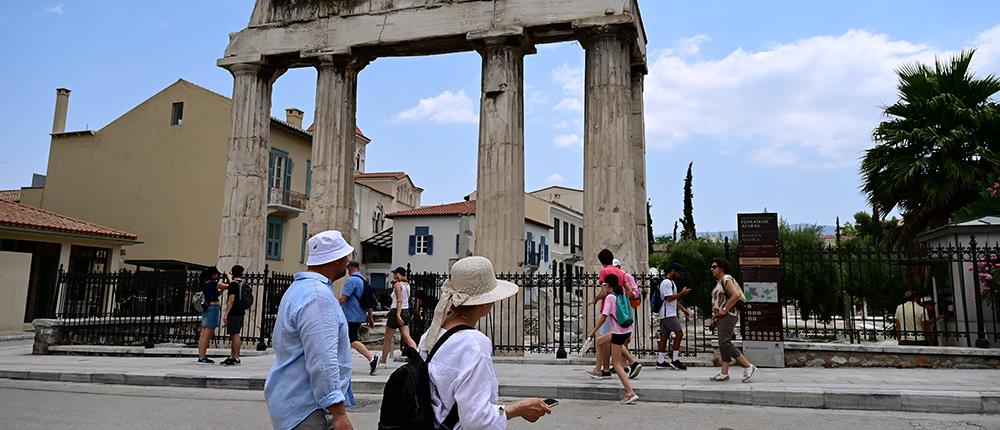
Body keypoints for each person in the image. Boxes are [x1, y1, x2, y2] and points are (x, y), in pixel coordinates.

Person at [419, 256, 552, 428]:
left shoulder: (431, 333)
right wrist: (518, 409)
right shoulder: (474, 343)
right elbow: (477, 419)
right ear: (485, 303)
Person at [264, 230, 357, 430]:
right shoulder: (318, 297)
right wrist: (339, 414)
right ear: (336, 260)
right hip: (307, 407)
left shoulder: (299, 289)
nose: (348, 261)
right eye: (345, 256)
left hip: (293, 399)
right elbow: (323, 359)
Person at [585, 249, 640, 380]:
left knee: (604, 341)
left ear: (601, 261)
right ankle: (609, 368)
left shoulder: (604, 272)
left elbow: (605, 291)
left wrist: (596, 299)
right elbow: (629, 291)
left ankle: (604, 369)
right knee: (615, 339)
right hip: (619, 310)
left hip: (609, 309)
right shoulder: (620, 272)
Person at [587, 273, 639, 404]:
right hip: (626, 330)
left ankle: (630, 392)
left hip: (618, 333)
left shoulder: (610, 297)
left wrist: (593, 331)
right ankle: (597, 370)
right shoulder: (622, 295)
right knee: (600, 342)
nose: (603, 287)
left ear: (608, 285)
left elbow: (604, 317)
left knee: (616, 364)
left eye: (604, 285)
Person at [709, 258, 757, 383]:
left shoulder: (726, 279)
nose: (711, 269)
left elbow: (736, 295)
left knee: (724, 342)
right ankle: (724, 372)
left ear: (721, 268)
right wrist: (714, 316)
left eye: (714, 266)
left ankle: (748, 366)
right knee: (722, 343)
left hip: (729, 315)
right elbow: (718, 301)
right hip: (722, 316)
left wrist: (724, 309)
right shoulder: (719, 282)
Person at [340, 261, 379, 375]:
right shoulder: (363, 281)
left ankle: (371, 359)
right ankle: (342, 364)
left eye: (348, 269)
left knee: (351, 340)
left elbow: (344, 298)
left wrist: (330, 305)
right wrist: (370, 317)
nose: (347, 271)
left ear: (351, 268)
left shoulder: (352, 280)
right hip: (359, 315)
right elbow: (369, 302)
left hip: (350, 315)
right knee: (345, 340)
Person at [379, 266, 417, 367]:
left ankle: (383, 361)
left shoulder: (397, 285)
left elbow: (399, 300)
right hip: (405, 311)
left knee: (388, 338)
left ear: (398, 274)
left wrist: (397, 314)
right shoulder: (407, 285)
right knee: (407, 337)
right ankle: (418, 357)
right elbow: (402, 300)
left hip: (397, 311)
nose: (394, 275)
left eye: (395, 273)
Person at [656, 263, 692, 370]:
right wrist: (682, 293)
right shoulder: (667, 283)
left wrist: (683, 309)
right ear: (672, 271)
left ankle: (661, 360)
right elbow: (669, 298)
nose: (679, 274)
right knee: (679, 333)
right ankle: (675, 359)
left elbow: (673, 300)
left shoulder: (671, 283)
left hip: (667, 313)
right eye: (678, 272)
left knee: (665, 336)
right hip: (668, 314)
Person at [197, 267, 230, 364]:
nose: (218, 276)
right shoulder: (213, 283)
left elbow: (215, 295)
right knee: (207, 334)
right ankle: (202, 357)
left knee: (203, 333)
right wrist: (230, 279)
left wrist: (221, 290)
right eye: (217, 274)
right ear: (213, 274)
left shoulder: (206, 284)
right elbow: (229, 286)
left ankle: (201, 355)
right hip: (212, 309)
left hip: (207, 308)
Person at [221, 265, 246, 366]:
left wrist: (226, 313)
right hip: (240, 311)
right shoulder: (242, 284)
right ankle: (232, 356)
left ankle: (236, 357)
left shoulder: (233, 285)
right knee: (233, 334)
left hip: (234, 312)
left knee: (235, 334)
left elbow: (231, 300)